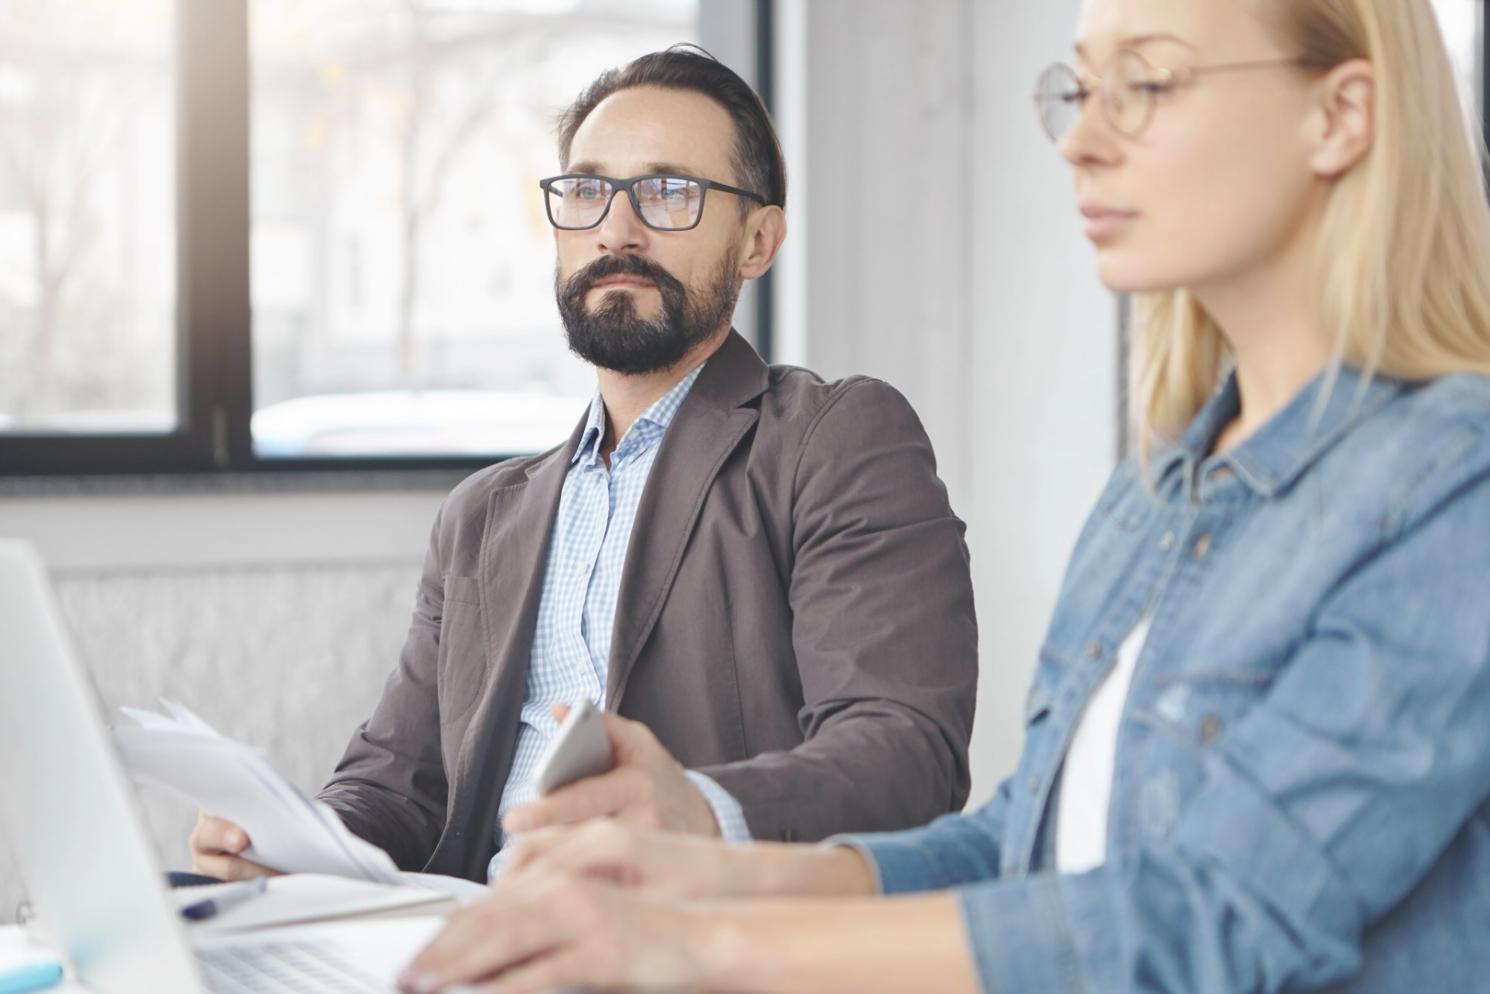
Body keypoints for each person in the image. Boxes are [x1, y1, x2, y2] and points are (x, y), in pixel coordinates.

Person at [395, 1, 1490, 991]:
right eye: (1075, 90)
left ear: (1338, 117)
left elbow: (1218, 912)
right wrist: (696, 845)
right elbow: (1026, 841)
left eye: (1145, 84)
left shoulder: (1454, 486)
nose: (1081, 138)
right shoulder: (1158, 491)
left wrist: (690, 942)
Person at [187, 46, 978, 886]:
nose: (616, 228)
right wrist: (291, 845)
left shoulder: (834, 439)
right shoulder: (482, 516)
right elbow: (398, 788)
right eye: (589, 190)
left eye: (670, 192)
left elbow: (904, 753)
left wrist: (701, 812)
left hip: (694, 942)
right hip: (475, 936)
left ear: (758, 241)